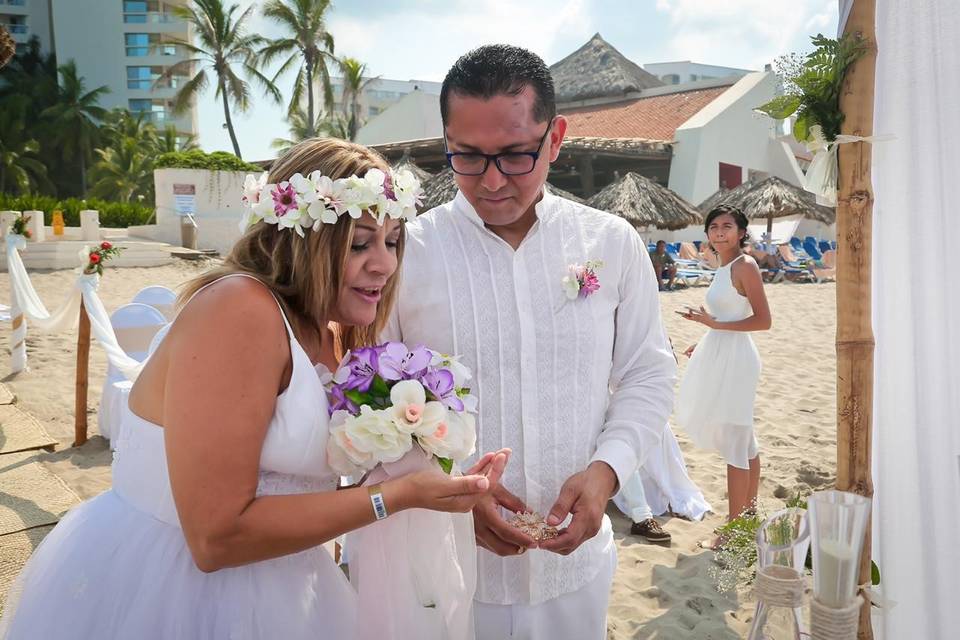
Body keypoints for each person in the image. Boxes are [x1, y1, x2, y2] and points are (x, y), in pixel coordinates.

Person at [0, 138, 508, 640]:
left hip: (291, 581)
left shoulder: (332, 331)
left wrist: (434, 471)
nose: (385, 264)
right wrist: (394, 497)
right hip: (179, 591)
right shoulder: (238, 311)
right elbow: (214, 538)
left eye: (392, 241)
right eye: (359, 243)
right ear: (303, 239)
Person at [383, 45, 676, 640]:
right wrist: (453, 493)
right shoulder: (406, 253)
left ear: (556, 137)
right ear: (446, 140)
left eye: (516, 155)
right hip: (445, 570)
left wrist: (607, 472)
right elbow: (373, 400)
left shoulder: (610, 242)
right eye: (467, 157)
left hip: (575, 573)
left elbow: (648, 372)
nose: (491, 181)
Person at [676, 204, 771, 550]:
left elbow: (763, 320)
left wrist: (714, 326)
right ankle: (747, 518)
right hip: (722, 351)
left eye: (727, 226)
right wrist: (703, 341)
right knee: (744, 440)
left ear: (742, 232)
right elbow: (723, 316)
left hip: (737, 358)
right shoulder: (723, 266)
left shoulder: (745, 266)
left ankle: (733, 531)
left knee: (735, 438)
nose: (719, 232)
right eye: (713, 226)